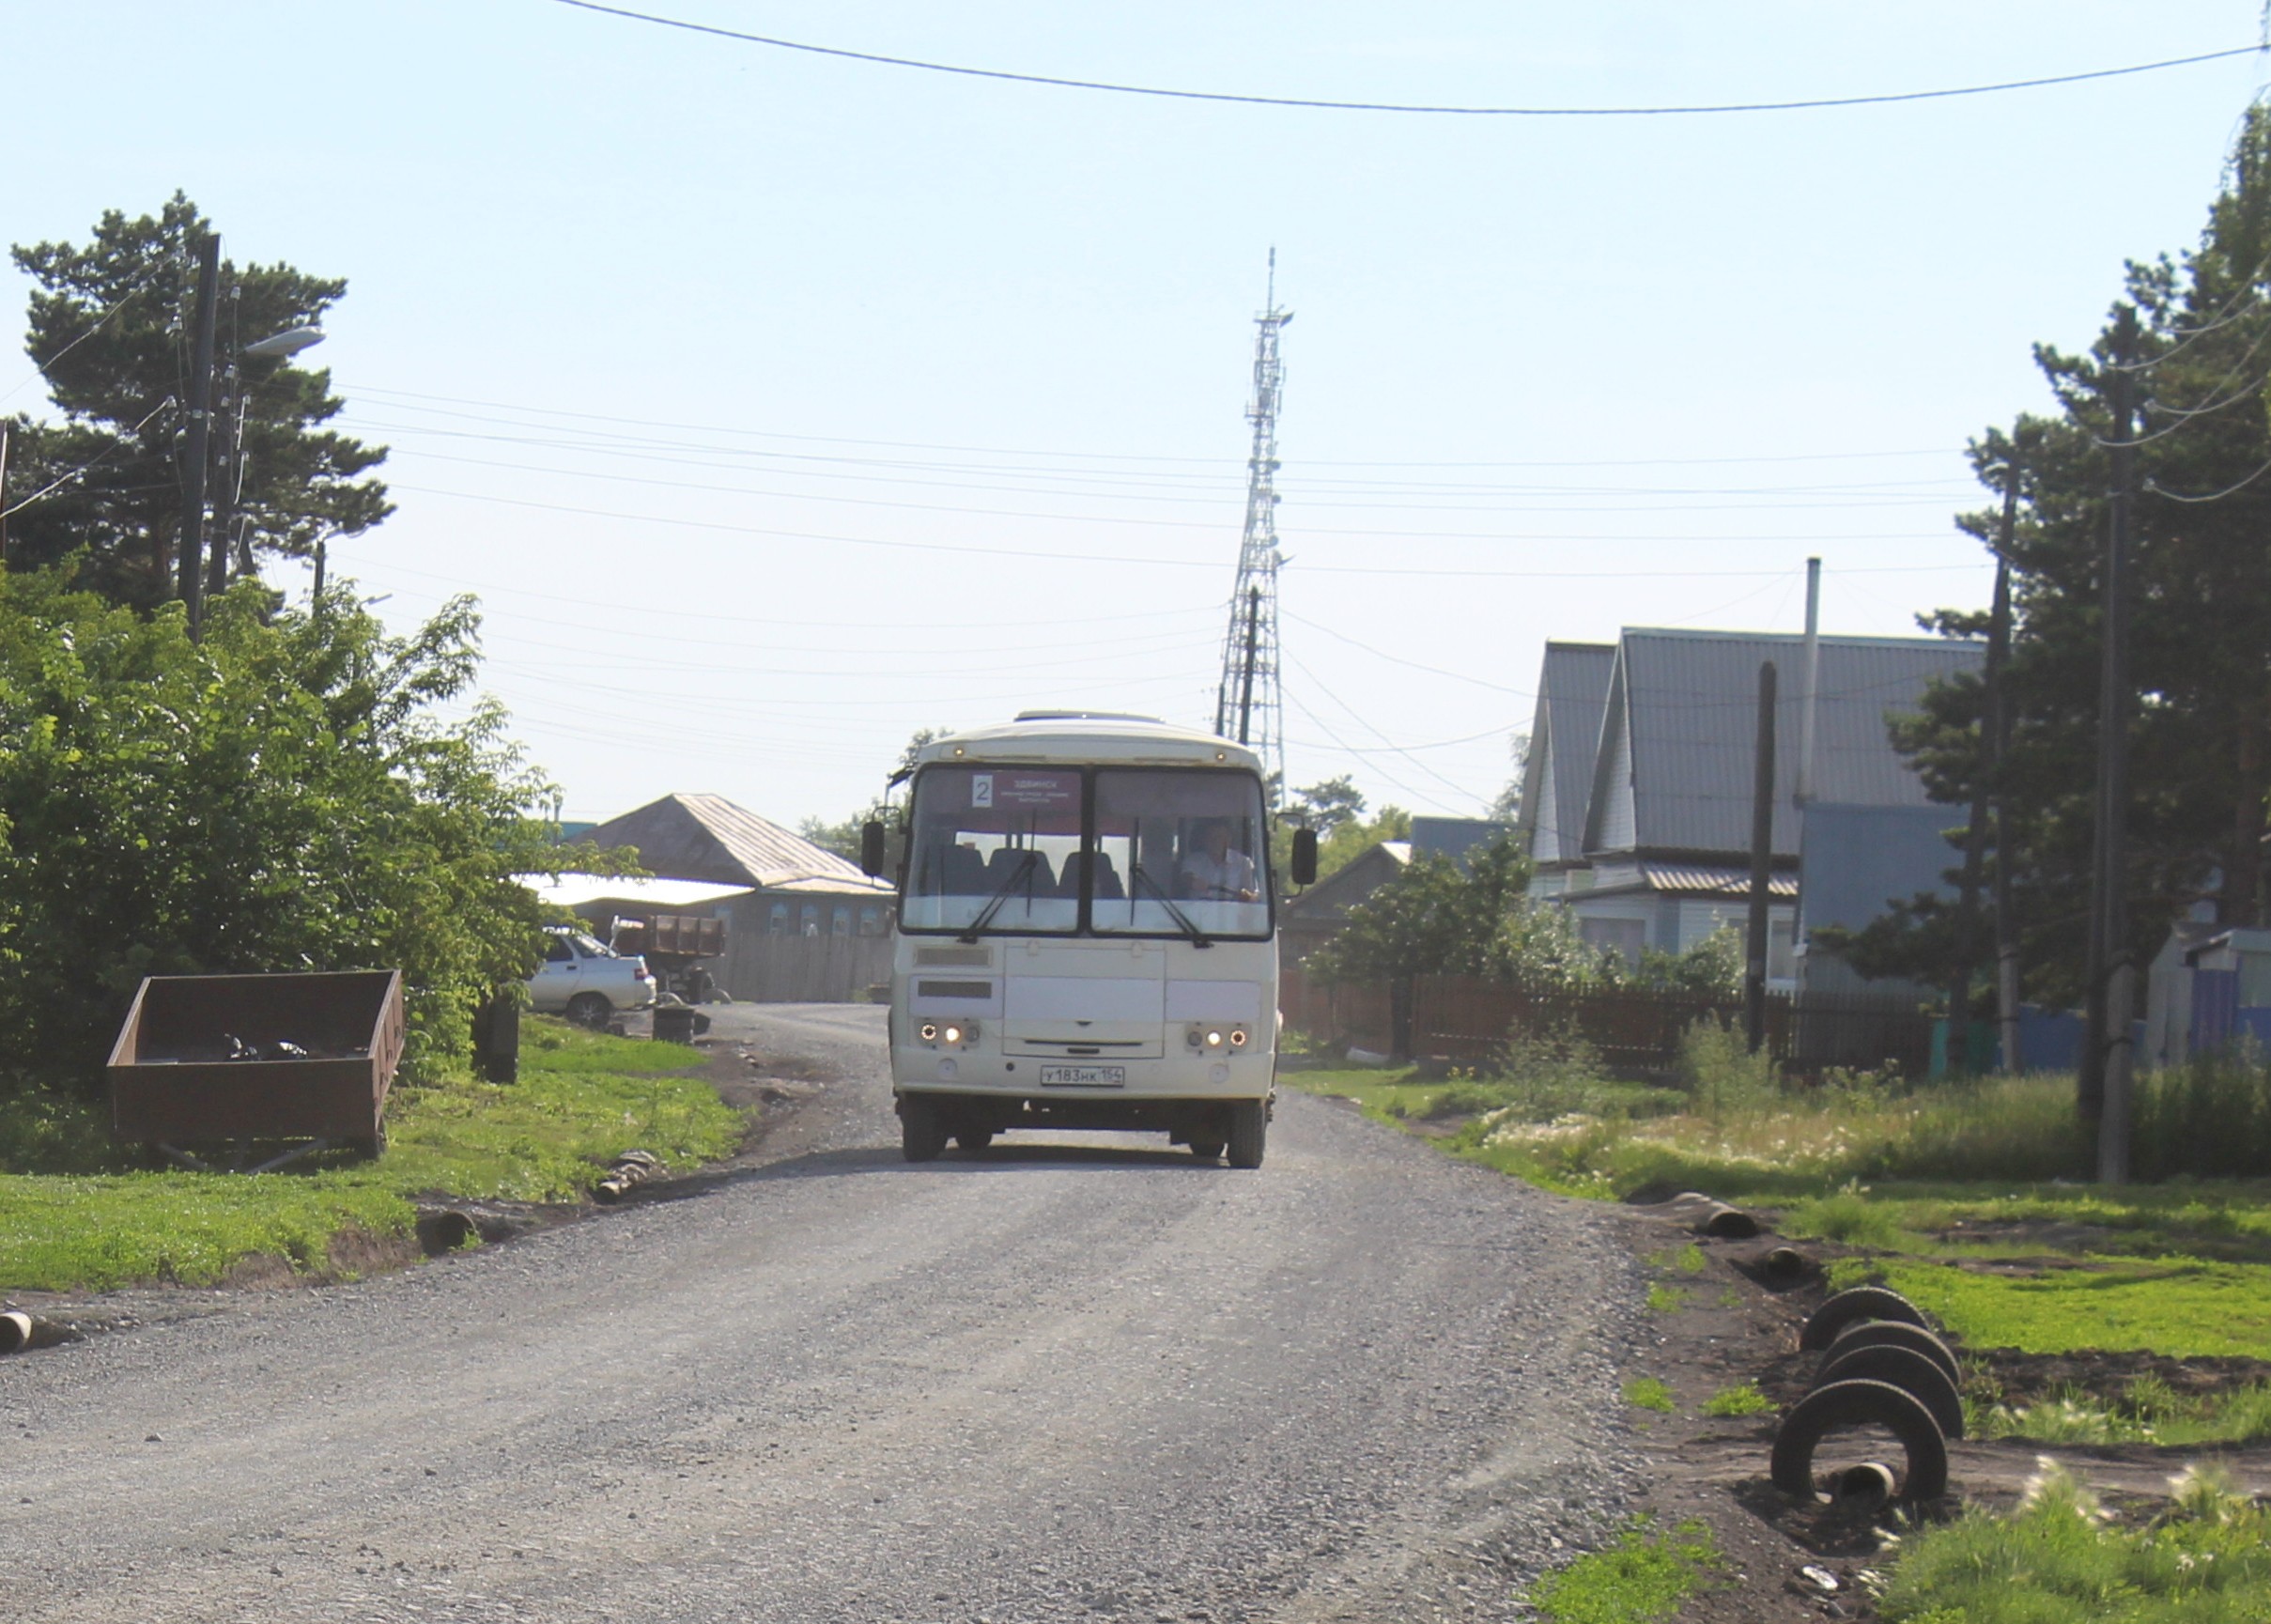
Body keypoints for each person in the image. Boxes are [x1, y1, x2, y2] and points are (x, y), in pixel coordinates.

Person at [1179, 820, 1259, 902]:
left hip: (1232, 912)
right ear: (1204, 840)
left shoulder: (1243, 862)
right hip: (1196, 912)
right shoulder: (1192, 860)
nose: (1216, 841)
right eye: (1211, 837)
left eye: (1220, 837)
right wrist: (1193, 881)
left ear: (1229, 839)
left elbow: (1251, 895)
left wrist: (1247, 896)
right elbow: (1185, 878)